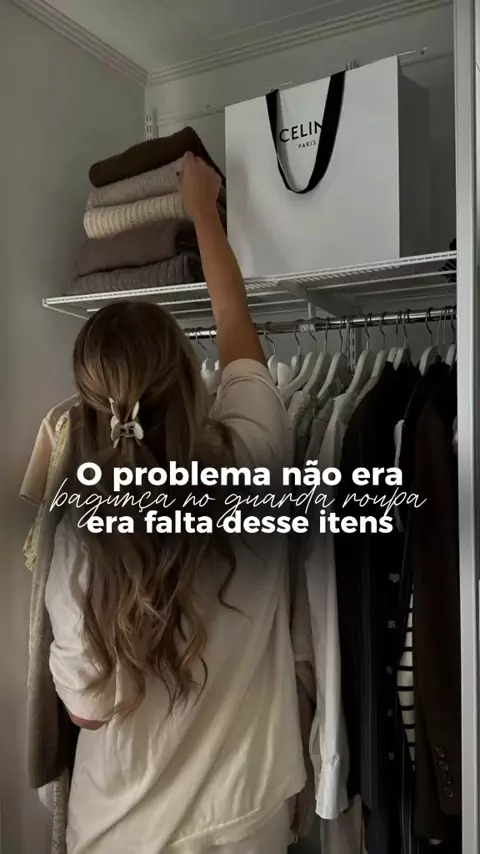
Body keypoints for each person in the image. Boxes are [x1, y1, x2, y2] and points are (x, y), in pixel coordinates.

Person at [45, 153, 306, 854]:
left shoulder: (80, 535)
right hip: (244, 818)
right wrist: (203, 211)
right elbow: (236, 326)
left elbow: (88, 712)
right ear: (192, 380)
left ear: (87, 409)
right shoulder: (255, 454)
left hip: (120, 832)